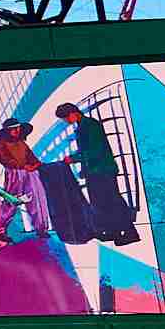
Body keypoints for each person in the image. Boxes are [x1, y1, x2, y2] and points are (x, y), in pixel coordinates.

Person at [49, 100, 129, 244]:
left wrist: (74, 158)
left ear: (73, 113)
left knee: (112, 201)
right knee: (101, 203)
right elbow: (89, 151)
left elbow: (94, 150)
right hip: (96, 171)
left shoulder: (89, 125)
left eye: (66, 118)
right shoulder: (83, 126)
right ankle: (114, 231)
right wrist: (83, 168)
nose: (66, 121)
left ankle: (128, 232)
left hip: (102, 170)